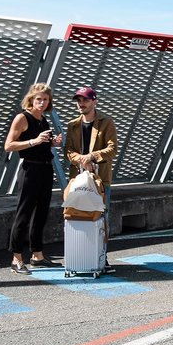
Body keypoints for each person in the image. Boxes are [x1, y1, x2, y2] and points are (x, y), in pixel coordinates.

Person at [4, 83, 64, 274]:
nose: (42, 102)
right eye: (39, 99)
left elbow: (42, 147)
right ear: (31, 99)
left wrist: (52, 143)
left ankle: (37, 255)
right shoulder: (22, 118)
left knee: (41, 214)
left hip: (45, 170)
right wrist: (34, 141)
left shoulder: (43, 120)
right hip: (30, 170)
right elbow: (9, 145)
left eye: (45, 99)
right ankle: (16, 258)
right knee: (24, 214)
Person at [65, 86, 118, 269]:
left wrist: (92, 156)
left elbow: (112, 149)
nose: (81, 104)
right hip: (78, 180)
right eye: (78, 101)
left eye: (85, 100)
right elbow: (69, 152)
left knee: (102, 217)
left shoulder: (106, 122)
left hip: (100, 180)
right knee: (78, 216)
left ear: (94, 101)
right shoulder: (73, 125)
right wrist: (81, 159)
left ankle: (102, 257)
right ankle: (81, 255)